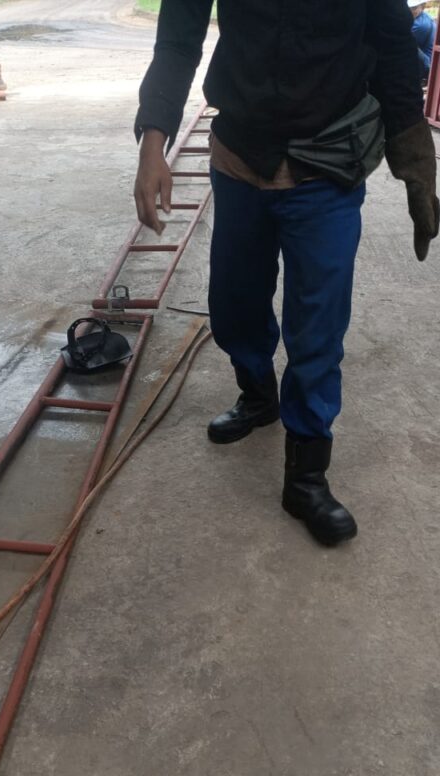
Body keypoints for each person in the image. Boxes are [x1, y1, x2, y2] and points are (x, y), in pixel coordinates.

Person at [134, 0, 439, 547]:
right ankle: (258, 395)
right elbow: (178, 38)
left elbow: (394, 48)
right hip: (239, 156)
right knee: (234, 305)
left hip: (329, 163)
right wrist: (152, 142)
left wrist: (415, 162)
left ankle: (306, 475)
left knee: (317, 327)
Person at [408, 0, 436, 82]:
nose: (410, 11)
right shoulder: (422, 17)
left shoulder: (420, 25)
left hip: (424, 66)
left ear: (423, 6)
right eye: (408, 8)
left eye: (414, 8)